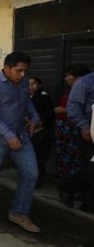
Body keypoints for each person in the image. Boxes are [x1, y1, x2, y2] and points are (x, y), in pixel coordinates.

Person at [0, 52, 41, 232]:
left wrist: (34, 117)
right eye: (19, 70)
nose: (23, 75)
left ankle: (19, 212)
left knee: (31, 174)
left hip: (20, 135)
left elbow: (26, 103)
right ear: (6, 68)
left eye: (25, 71)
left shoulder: (23, 82)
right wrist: (9, 136)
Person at [54, 64, 90, 207]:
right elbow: (72, 110)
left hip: (77, 129)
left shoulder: (82, 89)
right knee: (71, 161)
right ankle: (67, 189)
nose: (67, 78)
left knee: (81, 163)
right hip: (71, 131)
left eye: (70, 75)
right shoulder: (75, 90)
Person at [66, 70, 94, 213]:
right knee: (90, 167)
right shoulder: (84, 83)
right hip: (89, 131)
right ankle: (68, 187)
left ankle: (88, 200)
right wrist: (84, 127)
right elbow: (73, 108)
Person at [28, 77, 55, 188]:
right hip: (28, 131)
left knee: (37, 157)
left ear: (39, 85)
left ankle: (37, 181)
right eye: (28, 84)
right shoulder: (25, 97)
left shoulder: (44, 97)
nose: (31, 86)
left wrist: (39, 124)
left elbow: (48, 115)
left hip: (40, 132)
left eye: (34, 84)